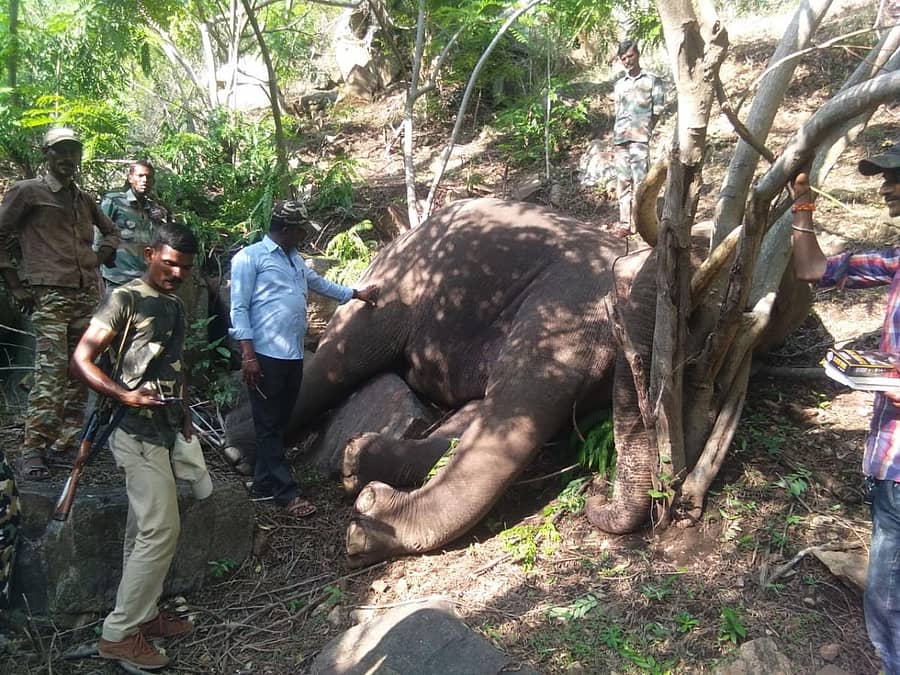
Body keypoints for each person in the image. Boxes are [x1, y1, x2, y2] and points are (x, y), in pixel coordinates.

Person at [70, 221, 207, 670]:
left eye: (185, 267)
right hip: (132, 429)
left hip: (163, 429)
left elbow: (175, 364)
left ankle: (143, 614)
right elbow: (81, 359)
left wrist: (185, 412)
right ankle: (119, 634)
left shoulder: (174, 303)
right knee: (160, 529)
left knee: (142, 527)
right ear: (150, 254)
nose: (177, 273)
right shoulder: (124, 298)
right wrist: (123, 395)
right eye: (169, 263)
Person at [790, 142, 900, 674]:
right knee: (886, 590)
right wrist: (802, 205)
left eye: (896, 178)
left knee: (890, 595)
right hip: (889, 459)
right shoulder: (896, 261)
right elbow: (812, 269)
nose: (886, 188)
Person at [229, 200, 378, 517]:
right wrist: (248, 355)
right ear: (286, 229)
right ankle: (287, 494)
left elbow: (319, 284)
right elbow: (239, 308)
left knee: (279, 420)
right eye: (300, 229)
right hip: (264, 356)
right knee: (269, 423)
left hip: (292, 354)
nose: (304, 234)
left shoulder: (294, 258)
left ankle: (262, 483)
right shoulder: (250, 258)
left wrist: (356, 294)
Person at [0, 127, 120, 479]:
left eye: (73, 152)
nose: (68, 158)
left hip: (86, 293)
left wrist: (101, 255)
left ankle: (65, 443)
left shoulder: (83, 198)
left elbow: (112, 231)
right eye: (60, 151)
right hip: (50, 294)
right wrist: (14, 283)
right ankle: (33, 449)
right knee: (50, 372)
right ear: (46, 154)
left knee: (80, 369)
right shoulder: (28, 192)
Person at [612, 39, 665, 237]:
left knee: (641, 183)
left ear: (638, 55)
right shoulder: (619, 85)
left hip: (640, 139)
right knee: (623, 181)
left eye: (630, 56)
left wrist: (646, 128)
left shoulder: (652, 80)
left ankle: (641, 224)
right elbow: (618, 110)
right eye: (623, 58)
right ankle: (625, 224)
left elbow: (657, 110)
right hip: (621, 139)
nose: (627, 61)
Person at [99, 160, 171, 288]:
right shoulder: (114, 201)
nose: (145, 180)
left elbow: (161, 241)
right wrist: (94, 267)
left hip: (145, 278)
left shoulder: (154, 210)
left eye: (148, 177)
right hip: (117, 276)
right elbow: (98, 235)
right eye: (140, 176)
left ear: (153, 181)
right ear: (130, 178)